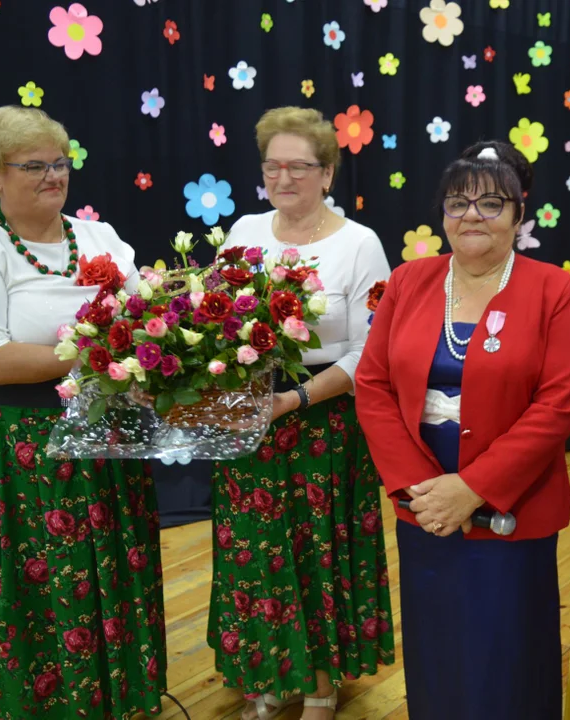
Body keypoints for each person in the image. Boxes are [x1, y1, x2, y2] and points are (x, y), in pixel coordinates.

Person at [0, 106, 167, 718]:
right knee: (31, 577)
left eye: (59, 162)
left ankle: (112, 697)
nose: (52, 175)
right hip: (14, 444)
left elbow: (146, 320)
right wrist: (102, 355)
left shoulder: (99, 237)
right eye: (33, 165)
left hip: (101, 428)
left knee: (107, 562)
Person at [355, 140, 570, 720]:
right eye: (457, 204)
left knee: (506, 649)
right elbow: (374, 386)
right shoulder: (410, 281)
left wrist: (474, 487)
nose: (471, 217)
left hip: (513, 505)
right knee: (438, 645)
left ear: (518, 214)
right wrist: (417, 488)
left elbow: (557, 406)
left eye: (490, 203)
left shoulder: (552, 288)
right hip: (424, 502)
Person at [209, 107, 394, 720]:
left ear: (328, 171)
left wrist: (296, 400)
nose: (284, 177)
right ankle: (265, 672)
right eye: (272, 165)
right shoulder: (242, 232)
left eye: (299, 166)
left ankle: (319, 684)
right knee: (255, 552)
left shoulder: (359, 243)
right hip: (248, 420)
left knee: (317, 555)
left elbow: (373, 350)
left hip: (322, 420)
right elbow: (212, 322)